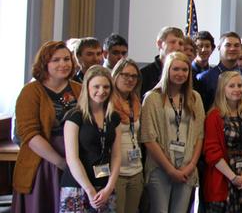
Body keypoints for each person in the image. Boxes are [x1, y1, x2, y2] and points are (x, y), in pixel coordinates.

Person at [13, 41, 82, 212]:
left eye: (67, 59)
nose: (63, 64)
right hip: (43, 163)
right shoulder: (30, 92)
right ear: (45, 63)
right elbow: (29, 134)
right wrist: (61, 162)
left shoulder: (80, 89)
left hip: (77, 160)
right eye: (56, 60)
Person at [140, 52, 205, 213]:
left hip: (186, 166)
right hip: (160, 167)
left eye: (185, 70)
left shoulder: (194, 98)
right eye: (176, 69)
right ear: (167, 70)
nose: (180, 74)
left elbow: (200, 136)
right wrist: (169, 169)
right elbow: (148, 137)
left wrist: (190, 166)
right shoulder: (152, 98)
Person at [60, 65, 122, 212]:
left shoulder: (113, 117)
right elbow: (72, 158)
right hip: (78, 186)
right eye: (96, 86)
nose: (101, 91)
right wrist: (89, 190)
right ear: (87, 88)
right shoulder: (75, 116)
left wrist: (110, 187)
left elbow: (117, 155)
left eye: (106, 87)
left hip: (104, 187)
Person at [202, 72, 242, 211]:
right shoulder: (214, 116)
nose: (237, 89)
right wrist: (232, 177)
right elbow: (212, 152)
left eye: (239, 85)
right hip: (222, 178)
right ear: (222, 89)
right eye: (231, 86)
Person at [111, 59, 144, 213]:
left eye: (134, 76)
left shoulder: (136, 102)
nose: (130, 79)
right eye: (125, 75)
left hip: (136, 169)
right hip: (115, 173)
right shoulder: (108, 102)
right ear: (116, 75)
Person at [196, 32, 242, 112]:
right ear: (219, 48)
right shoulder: (204, 78)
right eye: (228, 45)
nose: (232, 48)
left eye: (236, 45)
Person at [140, 26, 184, 96]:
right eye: (173, 42)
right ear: (159, 44)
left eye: (181, 44)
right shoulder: (144, 74)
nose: (177, 47)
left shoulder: (186, 74)